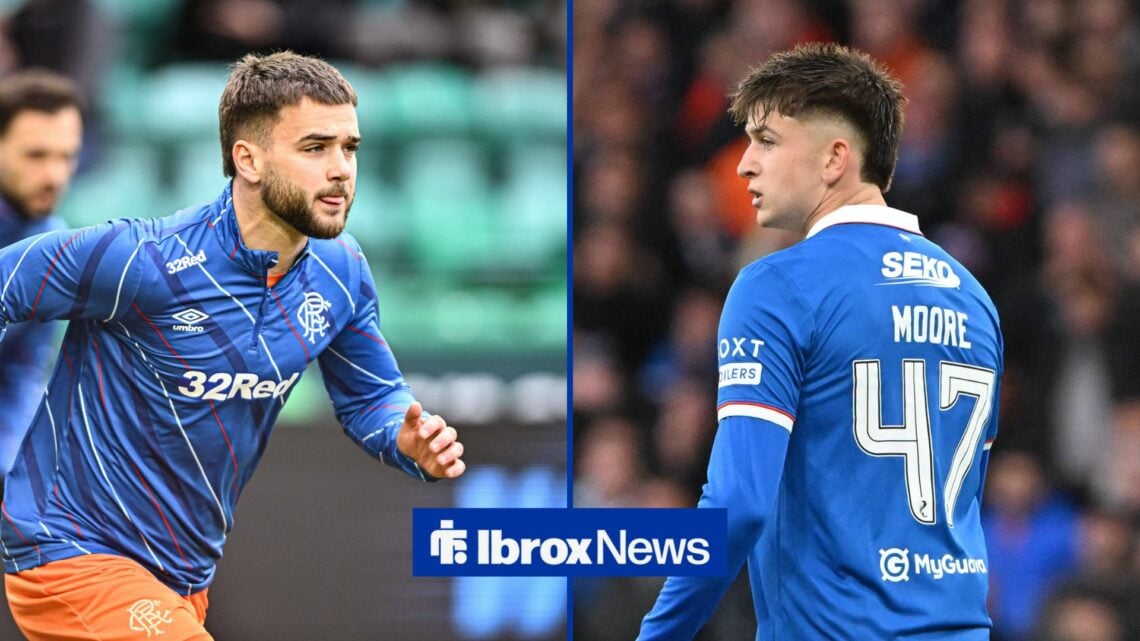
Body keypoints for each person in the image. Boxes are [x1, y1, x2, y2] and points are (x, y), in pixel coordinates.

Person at [0, 51, 465, 641]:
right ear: (248, 159)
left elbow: (372, 396)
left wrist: (404, 436)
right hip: (70, 549)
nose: (341, 169)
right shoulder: (143, 260)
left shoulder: (341, 273)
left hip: (181, 578)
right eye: (315, 148)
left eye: (349, 148)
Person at [639, 43, 1003, 640]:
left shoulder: (778, 286)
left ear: (835, 158)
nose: (744, 165)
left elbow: (738, 505)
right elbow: (960, 504)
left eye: (767, 140)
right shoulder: (973, 298)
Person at [0, 69, 84, 481]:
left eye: (66, 157)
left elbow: (20, 370)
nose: (55, 176)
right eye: (36, 155)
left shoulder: (50, 243)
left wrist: (13, 471)